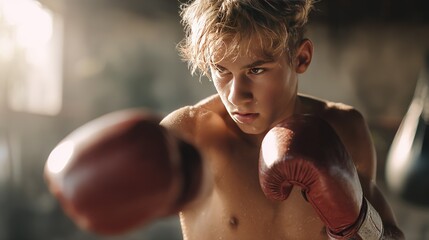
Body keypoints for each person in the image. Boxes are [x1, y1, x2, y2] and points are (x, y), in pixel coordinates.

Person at [44, 0, 405, 239]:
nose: (236, 95)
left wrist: (354, 222)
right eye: (221, 71)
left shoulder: (344, 130)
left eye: (257, 69)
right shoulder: (189, 135)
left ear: (301, 58)